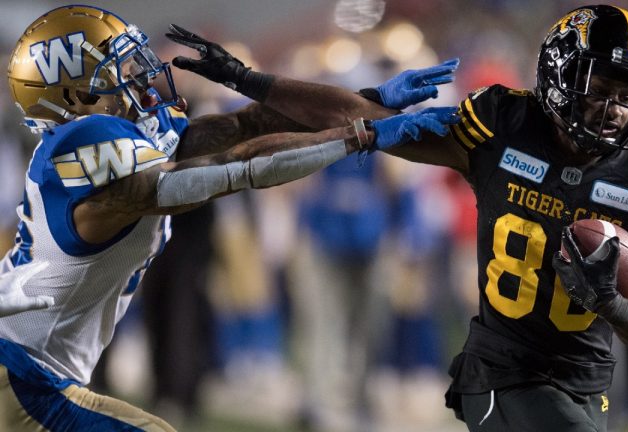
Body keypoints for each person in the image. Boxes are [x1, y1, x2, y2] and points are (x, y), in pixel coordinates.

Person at [177, 5, 628, 431]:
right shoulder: (503, 126)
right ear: (559, 75)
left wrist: (609, 301)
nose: (614, 107)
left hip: (588, 384)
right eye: (600, 87)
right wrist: (249, 80)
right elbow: (356, 116)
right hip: (504, 371)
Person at [0, 5, 459, 431]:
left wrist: (365, 99)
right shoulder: (82, 149)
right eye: (119, 70)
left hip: (32, 368)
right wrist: (358, 135)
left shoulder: (120, 138)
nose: (140, 78)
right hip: (22, 373)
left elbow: (249, 125)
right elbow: (229, 170)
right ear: (78, 96)